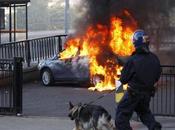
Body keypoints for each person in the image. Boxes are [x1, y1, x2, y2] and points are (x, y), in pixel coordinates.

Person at [115, 30, 162, 130]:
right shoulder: (154, 58)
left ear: (135, 43)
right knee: (145, 113)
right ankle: (155, 128)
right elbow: (157, 75)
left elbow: (123, 79)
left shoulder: (133, 60)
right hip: (147, 94)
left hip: (133, 94)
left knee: (121, 116)